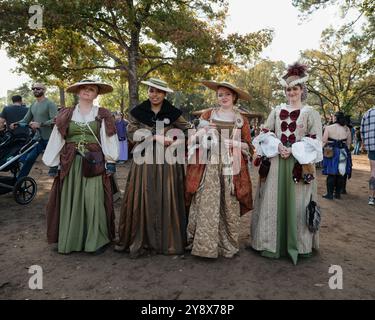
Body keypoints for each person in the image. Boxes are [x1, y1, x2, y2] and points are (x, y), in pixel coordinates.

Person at [250, 63, 323, 265]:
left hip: (299, 162)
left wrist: (294, 149)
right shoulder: (276, 110)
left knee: (299, 202)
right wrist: (278, 145)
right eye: (288, 89)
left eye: (295, 88)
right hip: (276, 160)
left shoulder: (311, 113)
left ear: (302, 90)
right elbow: (265, 132)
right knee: (272, 199)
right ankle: (270, 244)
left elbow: (316, 141)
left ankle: (298, 245)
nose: (291, 92)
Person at [115, 78, 192, 258]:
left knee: (168, 195)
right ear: (148, 92)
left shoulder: (173, 112)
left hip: (168, 163)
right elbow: (131, 132)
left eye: (158, 92)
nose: (154, 95)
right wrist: (154, 136)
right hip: (144, 161)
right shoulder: (138, 111)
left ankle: (168, 241)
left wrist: (175, 139)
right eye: (151, 91)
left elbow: (188, 130)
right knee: (145, 194)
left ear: (164, 94)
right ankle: (144, 239)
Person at [42, 79, 119, 254]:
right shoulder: (66, 114)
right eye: (83, 88)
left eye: (91, 89)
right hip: (71, 163)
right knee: (72, 199)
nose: (87, 91)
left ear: (96, 94)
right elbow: (57, 137)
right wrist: (53, 163)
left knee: (93, 199)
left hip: (94, 162)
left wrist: (111, 161)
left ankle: (95, 240)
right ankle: (72, 239)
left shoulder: (102, 113)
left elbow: (109, 138)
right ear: (77, 92)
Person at [185, 81, 253, 259]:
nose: (223, 97)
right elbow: (192, 138)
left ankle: (226, 245)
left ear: (234, 97)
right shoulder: (208, 114)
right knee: (204, 201)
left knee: (228, 202)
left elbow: (249, 146)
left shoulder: (241, 119)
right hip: (208, 165)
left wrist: (235, 143)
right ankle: (202, 244)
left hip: (231, 166)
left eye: (227, 94)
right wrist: (204, 131)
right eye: (220, 94)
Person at [10, 83, 58, 179]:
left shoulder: (50, 104)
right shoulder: (33, 105)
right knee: (29, 159)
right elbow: (25, 120)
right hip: (38, 138)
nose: (35, 90)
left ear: (44, 90)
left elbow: (55, 120)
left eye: (38, 88)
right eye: (33, 88)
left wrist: (40, 124)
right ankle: (19, 182)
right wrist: (17, 123)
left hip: (50, 139)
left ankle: (61, 183)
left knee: (53, 165)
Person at [322, 111, 352, 200]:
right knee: (341, 174)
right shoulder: (347, 129)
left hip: (330, 151)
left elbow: (324, 141)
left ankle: (329, 194)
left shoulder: (328, 128)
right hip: (343, 151)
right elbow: (349, 143)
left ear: (335, 118)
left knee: (331, 173)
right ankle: (338, 194)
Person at [360, 106, 375, 205]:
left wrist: (364, 144)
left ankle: (371, 198)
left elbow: (362, 132)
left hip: (372, 145)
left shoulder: (367, 113)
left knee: (373, 171)